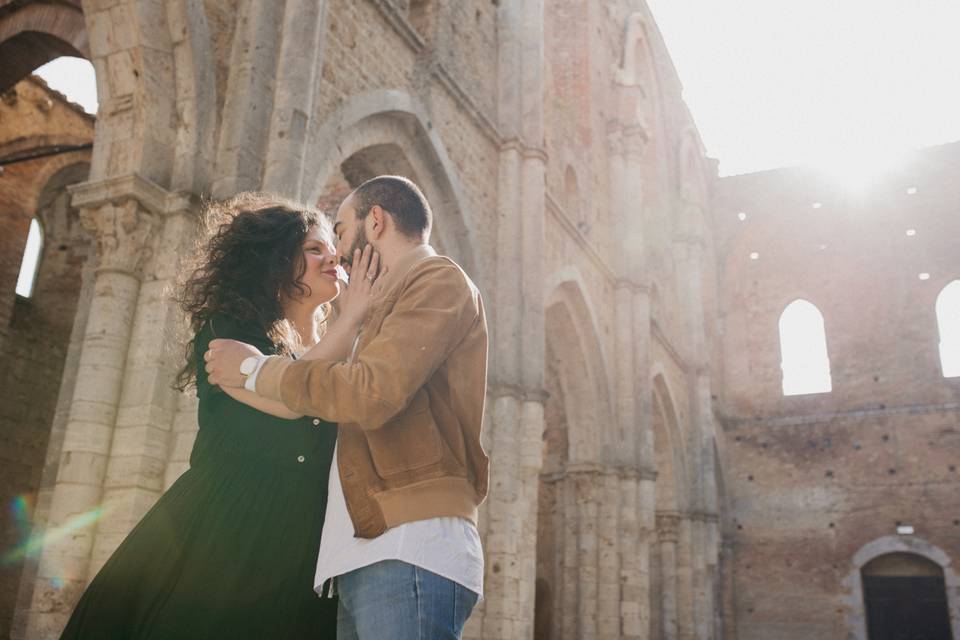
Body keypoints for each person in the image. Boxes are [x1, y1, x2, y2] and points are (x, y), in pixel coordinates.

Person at [61, 193, 380, 639]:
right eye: (314, 249)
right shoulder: (230, 335)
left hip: (300, 554)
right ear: (274, 264)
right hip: (225, 533)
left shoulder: (337, 360)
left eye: (332, 248)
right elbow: (294, 397)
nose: (332, 257)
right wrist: (355, 316)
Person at [204, 176, 489, 640]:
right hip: (362, 555)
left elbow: (371, 394)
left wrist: (258, 371)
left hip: (409, 548)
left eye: (339, 230)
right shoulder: (384, 305)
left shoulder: (437, 279)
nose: (336, 250)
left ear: (374, 222)